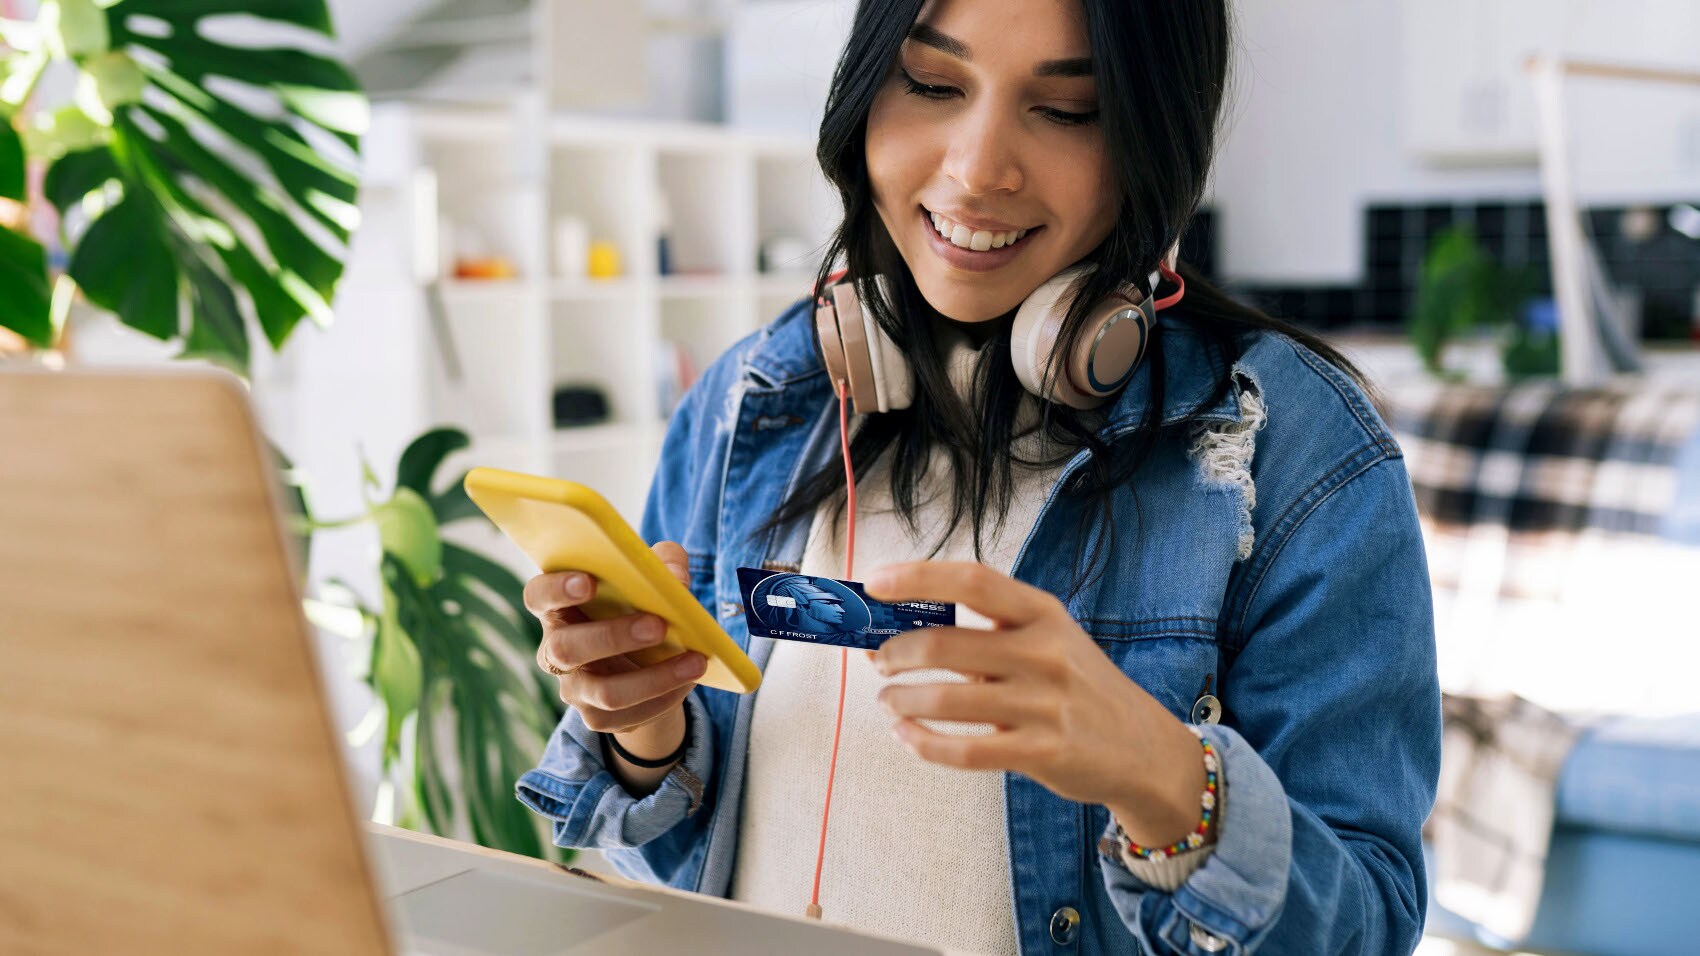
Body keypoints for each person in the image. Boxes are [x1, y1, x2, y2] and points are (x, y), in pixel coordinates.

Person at [515, 1, 1441, 953]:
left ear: (1155, 138)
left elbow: (1366, 925)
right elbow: (685, 874)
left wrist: (1162, 775)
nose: (976, 168)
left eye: (1069, 110)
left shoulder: (1291, 451)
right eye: (931, 84)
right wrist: (644, 736)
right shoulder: (755, 399)